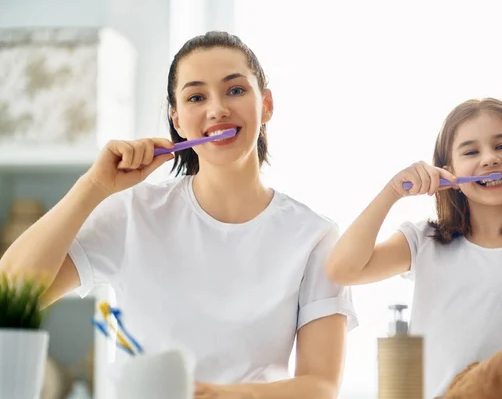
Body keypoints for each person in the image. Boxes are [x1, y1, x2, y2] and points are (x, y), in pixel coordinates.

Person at [0, 31, 357, 399]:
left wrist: (217, 395)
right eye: (196, 96)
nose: (217, 108)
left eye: (235, 90)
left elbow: (320, 386)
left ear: (265, 104)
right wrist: (93, 186)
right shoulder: (133, 212)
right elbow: (9, 295)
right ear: (177, 119)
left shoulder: (314, 236)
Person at [325, 98, 502, 398]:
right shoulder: (424, 241)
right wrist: (393, 191)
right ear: (449, 172)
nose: (489, 159)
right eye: (471, 151)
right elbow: (343, 268)